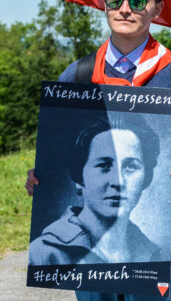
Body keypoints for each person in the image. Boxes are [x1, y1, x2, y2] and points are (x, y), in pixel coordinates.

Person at [25, 0, 171, 301]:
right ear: (104, 3)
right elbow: (54, 149)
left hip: (162, 222)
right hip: (88, 236)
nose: (125, 9)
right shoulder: (77, 75)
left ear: (156, 8)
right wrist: (39, 177)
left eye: (138, 1)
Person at [29, 114, 163, 266]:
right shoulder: (42, 254)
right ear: (79, 177)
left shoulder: (153, 255)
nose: (118, 181)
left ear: (146, 177)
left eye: (130, 167)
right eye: (104, 166)